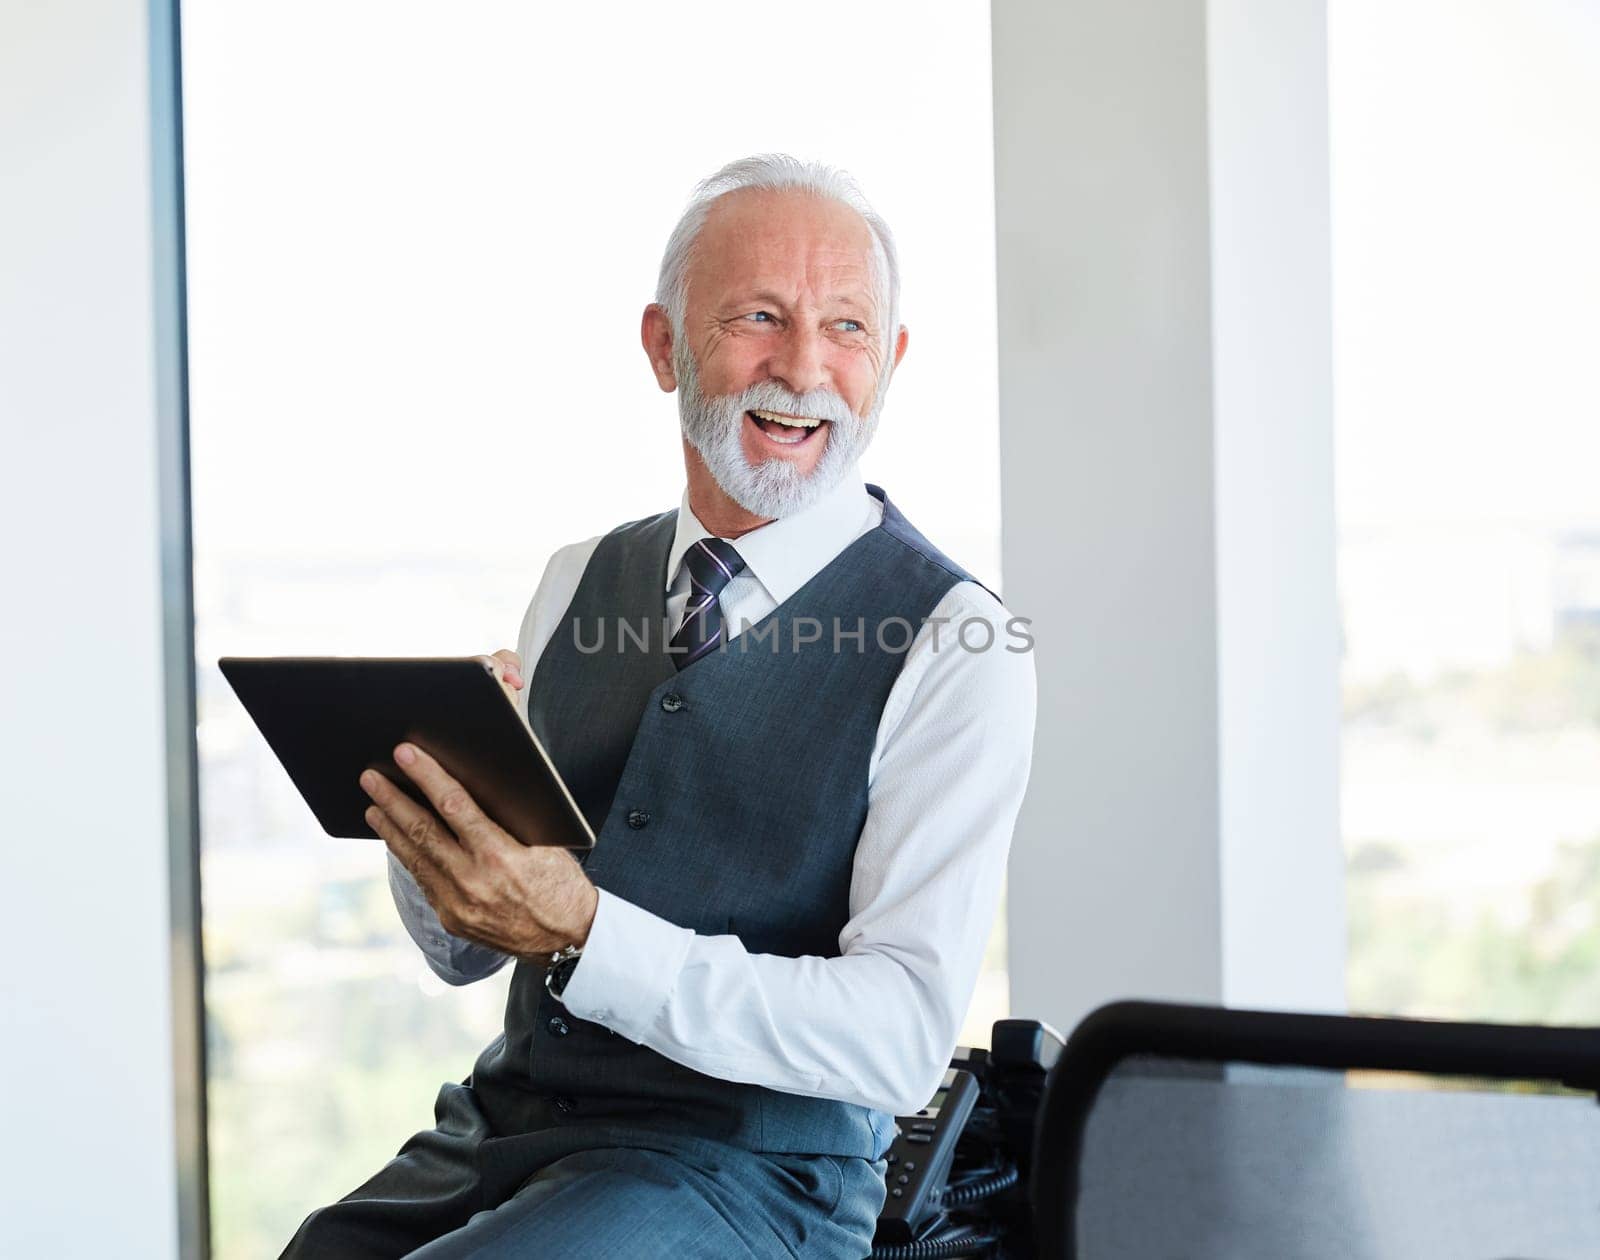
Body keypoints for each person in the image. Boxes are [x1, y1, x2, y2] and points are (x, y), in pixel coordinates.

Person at [282, 154, 1036, 1259]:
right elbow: (463, 955)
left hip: (754, 1181)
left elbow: (900, 1040)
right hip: (503, 1129)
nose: (804, 369)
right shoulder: (574, 579)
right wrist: (435, 827)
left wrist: (589, 932)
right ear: (662, 346)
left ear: (894, 360)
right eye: (759, 318)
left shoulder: (960, 644)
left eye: (848, 329)